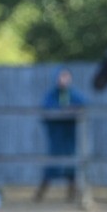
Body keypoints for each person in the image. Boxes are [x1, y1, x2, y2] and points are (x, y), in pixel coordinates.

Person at [33, 67, 86, 203]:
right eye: (61, 77)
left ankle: (72, 195)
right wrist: (62, 111)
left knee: (71, 166)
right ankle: (39, 195)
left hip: (69, 136)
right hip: (56, 136)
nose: (64, 79)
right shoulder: (51, 95)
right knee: (52, 165)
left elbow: (84, 105)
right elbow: (47, 109)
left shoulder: (74, 94)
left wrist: (73, 110)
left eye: (66, 76)